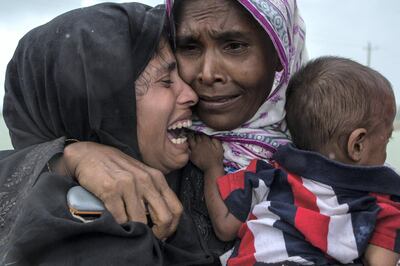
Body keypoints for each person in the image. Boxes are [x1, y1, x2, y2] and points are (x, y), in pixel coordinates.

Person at [2, 0, 307, 264]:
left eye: (235, 45)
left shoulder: (317, 146)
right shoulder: (71, 223)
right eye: (165, 80)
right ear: (103, 105)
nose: (195, 88)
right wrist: (67, 156)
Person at [0, 3, 210, 265]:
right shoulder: (73, 237)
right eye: (166, 81)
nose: (192, 95)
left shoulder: (212, 160)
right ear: (101, 106)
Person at [189, 56, 400, 265]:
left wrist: (212, 166)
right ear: (357, 145)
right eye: (386, 139)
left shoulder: (268, 175)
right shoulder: (381, 205)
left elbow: (225, 227)